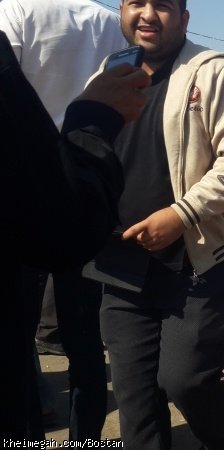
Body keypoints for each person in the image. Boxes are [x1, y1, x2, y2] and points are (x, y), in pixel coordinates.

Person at [92, 0, 224, 447]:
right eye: (135, 3)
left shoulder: (214, 72)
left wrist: (180, 214)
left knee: (186, 380)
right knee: (133, 394)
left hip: (197, 259)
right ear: (122, 12)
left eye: (163, 5)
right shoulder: (108, 73)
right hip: (121, 260)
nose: (147, 14)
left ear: (184, 19)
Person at [0, 28, 149, 438]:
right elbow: (66, 223)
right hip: (63, 206)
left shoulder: (16, 16)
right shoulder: (102, 27)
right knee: (82, 343)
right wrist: (93, 122)